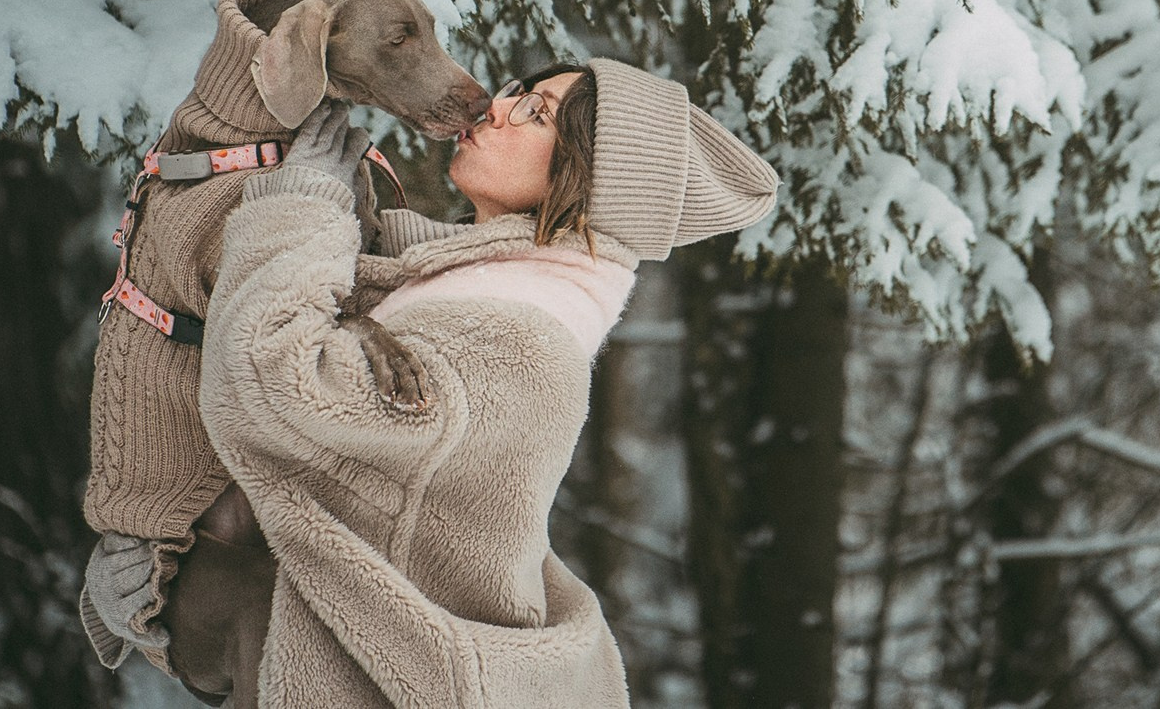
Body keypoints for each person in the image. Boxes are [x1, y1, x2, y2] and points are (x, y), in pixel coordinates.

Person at [192, 57, 777, 707]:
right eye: (517, 92)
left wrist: (301, 204)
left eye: (537, 114)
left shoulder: (513, 338)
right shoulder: (483, 301)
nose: (495, 107)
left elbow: (268, 379)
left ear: (586, 181)